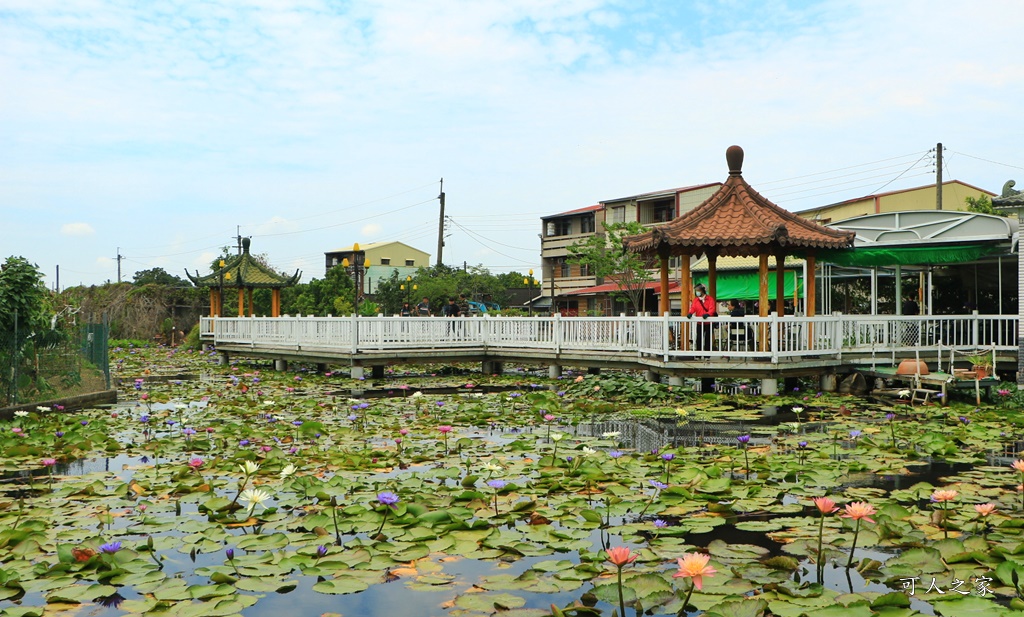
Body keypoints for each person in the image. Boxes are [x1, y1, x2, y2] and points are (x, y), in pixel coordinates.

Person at [686, 284, 717, 352]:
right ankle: (698, 354)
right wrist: (690, 313)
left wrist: (707, 314)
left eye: (698, 290)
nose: (697, 292)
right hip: (700, 322)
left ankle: (707, 355)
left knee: (708, 339)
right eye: (696, 291)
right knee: (699, 338)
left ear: (703, 291)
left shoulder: (710, 299)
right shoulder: (696, 300)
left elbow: (712, 309)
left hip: (708, 322)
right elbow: (693, 307)